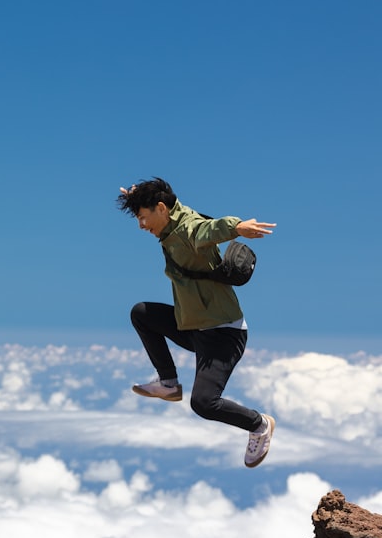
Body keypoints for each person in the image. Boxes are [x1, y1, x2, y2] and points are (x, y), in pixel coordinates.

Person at [117, 178, 277, 468]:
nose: (141, 225)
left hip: (222, 335)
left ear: (161, 208)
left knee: (204, 403)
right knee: (141, 313)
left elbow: (209, 228)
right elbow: (175, 216)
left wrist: (236, 227)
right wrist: (138, 198)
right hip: (192, 326)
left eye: (143, 217)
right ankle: (168, 383)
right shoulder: (169, 223)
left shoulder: (187, 228)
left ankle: (259, 425)